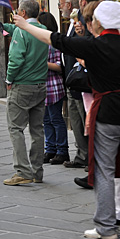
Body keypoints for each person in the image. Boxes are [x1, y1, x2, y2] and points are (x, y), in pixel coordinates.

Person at [12, 0, 120, 239]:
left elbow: (54, 39)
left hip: (110, 112)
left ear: (98, 22)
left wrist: (25, 26)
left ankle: (106, 227)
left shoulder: (93, 46)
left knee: (104, 169)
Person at [0, 0, 49, 186]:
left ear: (24, 14)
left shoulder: (22, 31)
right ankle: (37, 171)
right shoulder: (43, 30)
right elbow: (21, 30)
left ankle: (22, 170)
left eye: (18, 12)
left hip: (22, 85)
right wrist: (5, 27)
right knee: (37, 130)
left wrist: (9, 79)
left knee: (15, 128)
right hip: (40, 85)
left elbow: (16, 59)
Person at [59, 0, 90, 169]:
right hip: (71, 78)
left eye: (61, 3)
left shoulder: (81, 20)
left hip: (80, 78)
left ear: (69, 5)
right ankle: (81, 155)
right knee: (75, 118)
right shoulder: (72, 21)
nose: (60, 7)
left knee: (82, 116)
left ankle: (86, 156)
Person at [39, 11, 69, 165]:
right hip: (43, 86)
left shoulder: (54, 42)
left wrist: (41, 64)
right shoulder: (40, 42)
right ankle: (50, 149)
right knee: (46, 119)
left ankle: (62, 150)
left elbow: (59, 66)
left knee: (56, 118)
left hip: (54, 86)